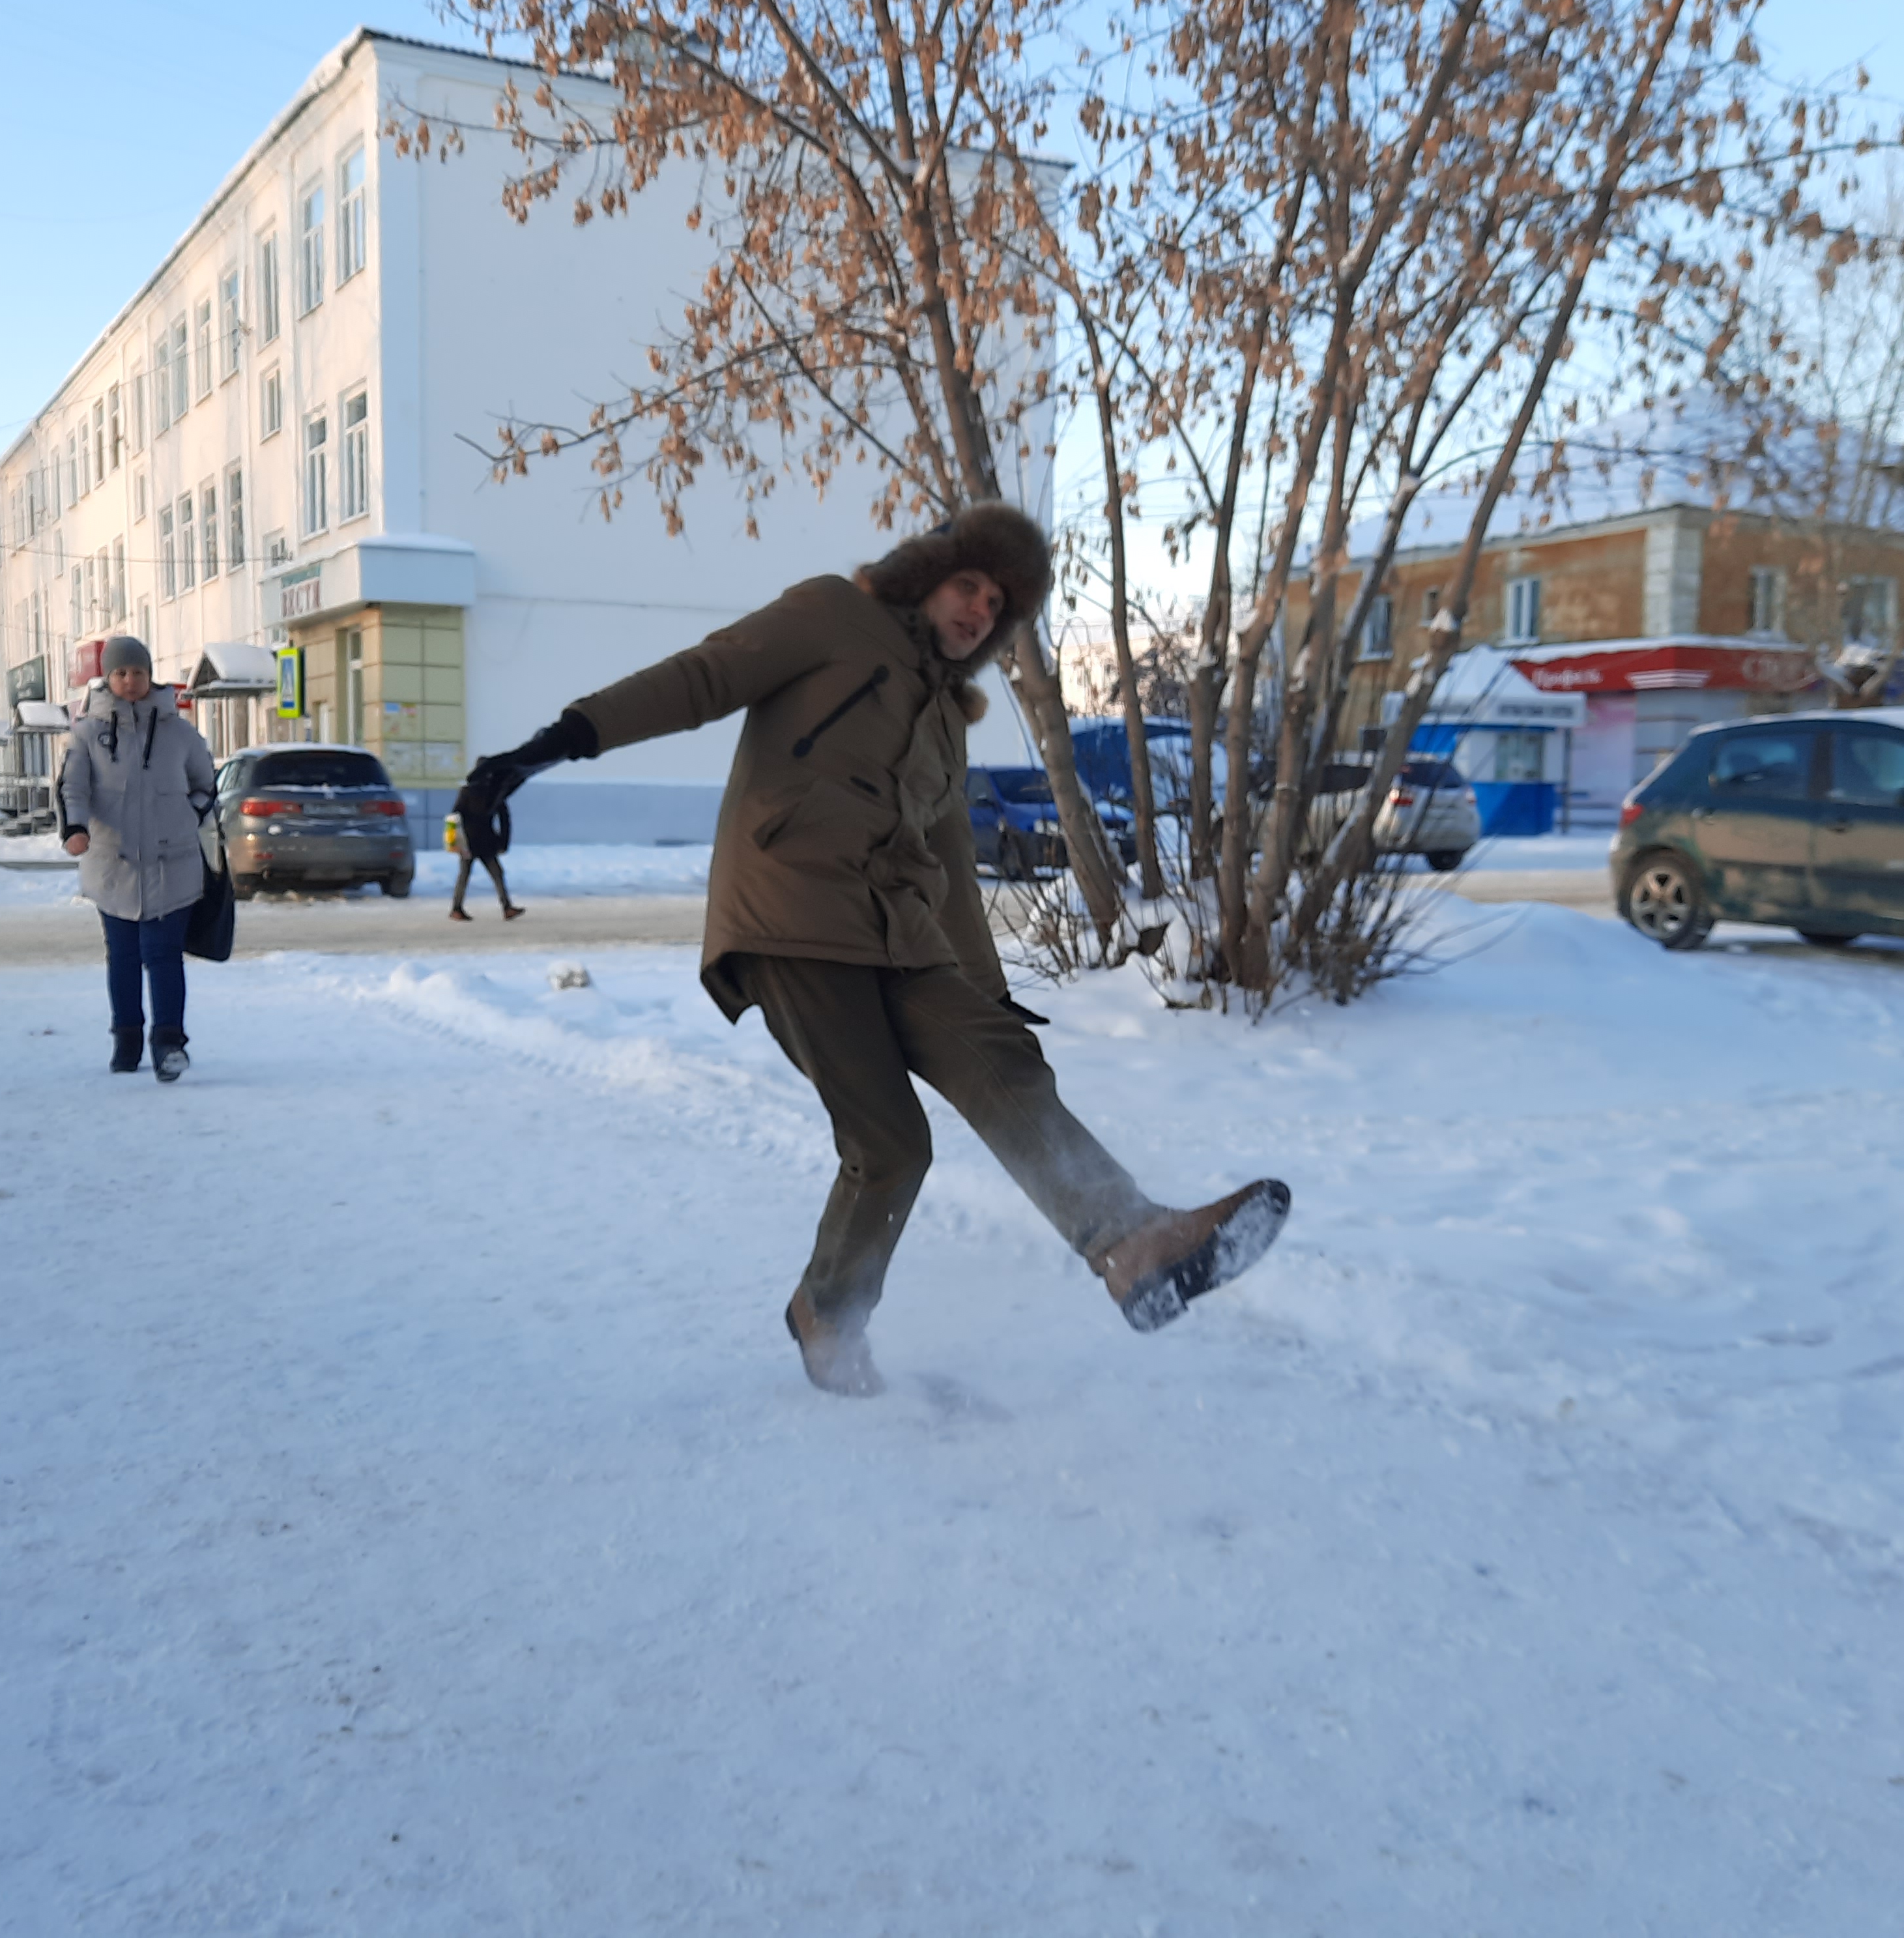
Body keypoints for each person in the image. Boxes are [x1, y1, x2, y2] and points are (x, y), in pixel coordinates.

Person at [459, 502, 1290, 1396]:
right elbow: (702, 678)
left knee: (1002, 1058)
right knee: (890, 1140)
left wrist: (986, 995)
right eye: (968, 583)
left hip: (897, 933)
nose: (978, 610)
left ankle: (1131, 1243)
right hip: (789, 912)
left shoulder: (946, 719)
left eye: (999, 604)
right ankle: (831, 1316)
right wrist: (543, 750)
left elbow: (952, 869)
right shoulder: (832, 617)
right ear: (928, 572)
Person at [60, 635, 216, 1082]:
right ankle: (126, 1039)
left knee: (165, 955)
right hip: (114, 864)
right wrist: (75, 828)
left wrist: (189, 813)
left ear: (151, 676)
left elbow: (206, 784)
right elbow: (73, 787)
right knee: (124, 956)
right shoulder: (88, 733)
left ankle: (169, 1044)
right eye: (121, 673)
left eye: (139, 673)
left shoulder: (181, 733)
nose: (131, 681)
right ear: (108, 677)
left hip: (174, 862)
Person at [448, 778, 524, 921]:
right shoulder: (494, 792)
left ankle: (456, 909)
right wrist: (503, 842)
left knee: (465, 875)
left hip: (469, 841)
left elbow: (454, 817)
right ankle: (507, 908)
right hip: (485, 841)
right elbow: (504, 818)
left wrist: (454, 842)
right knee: (497, 874)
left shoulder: (467, 792)